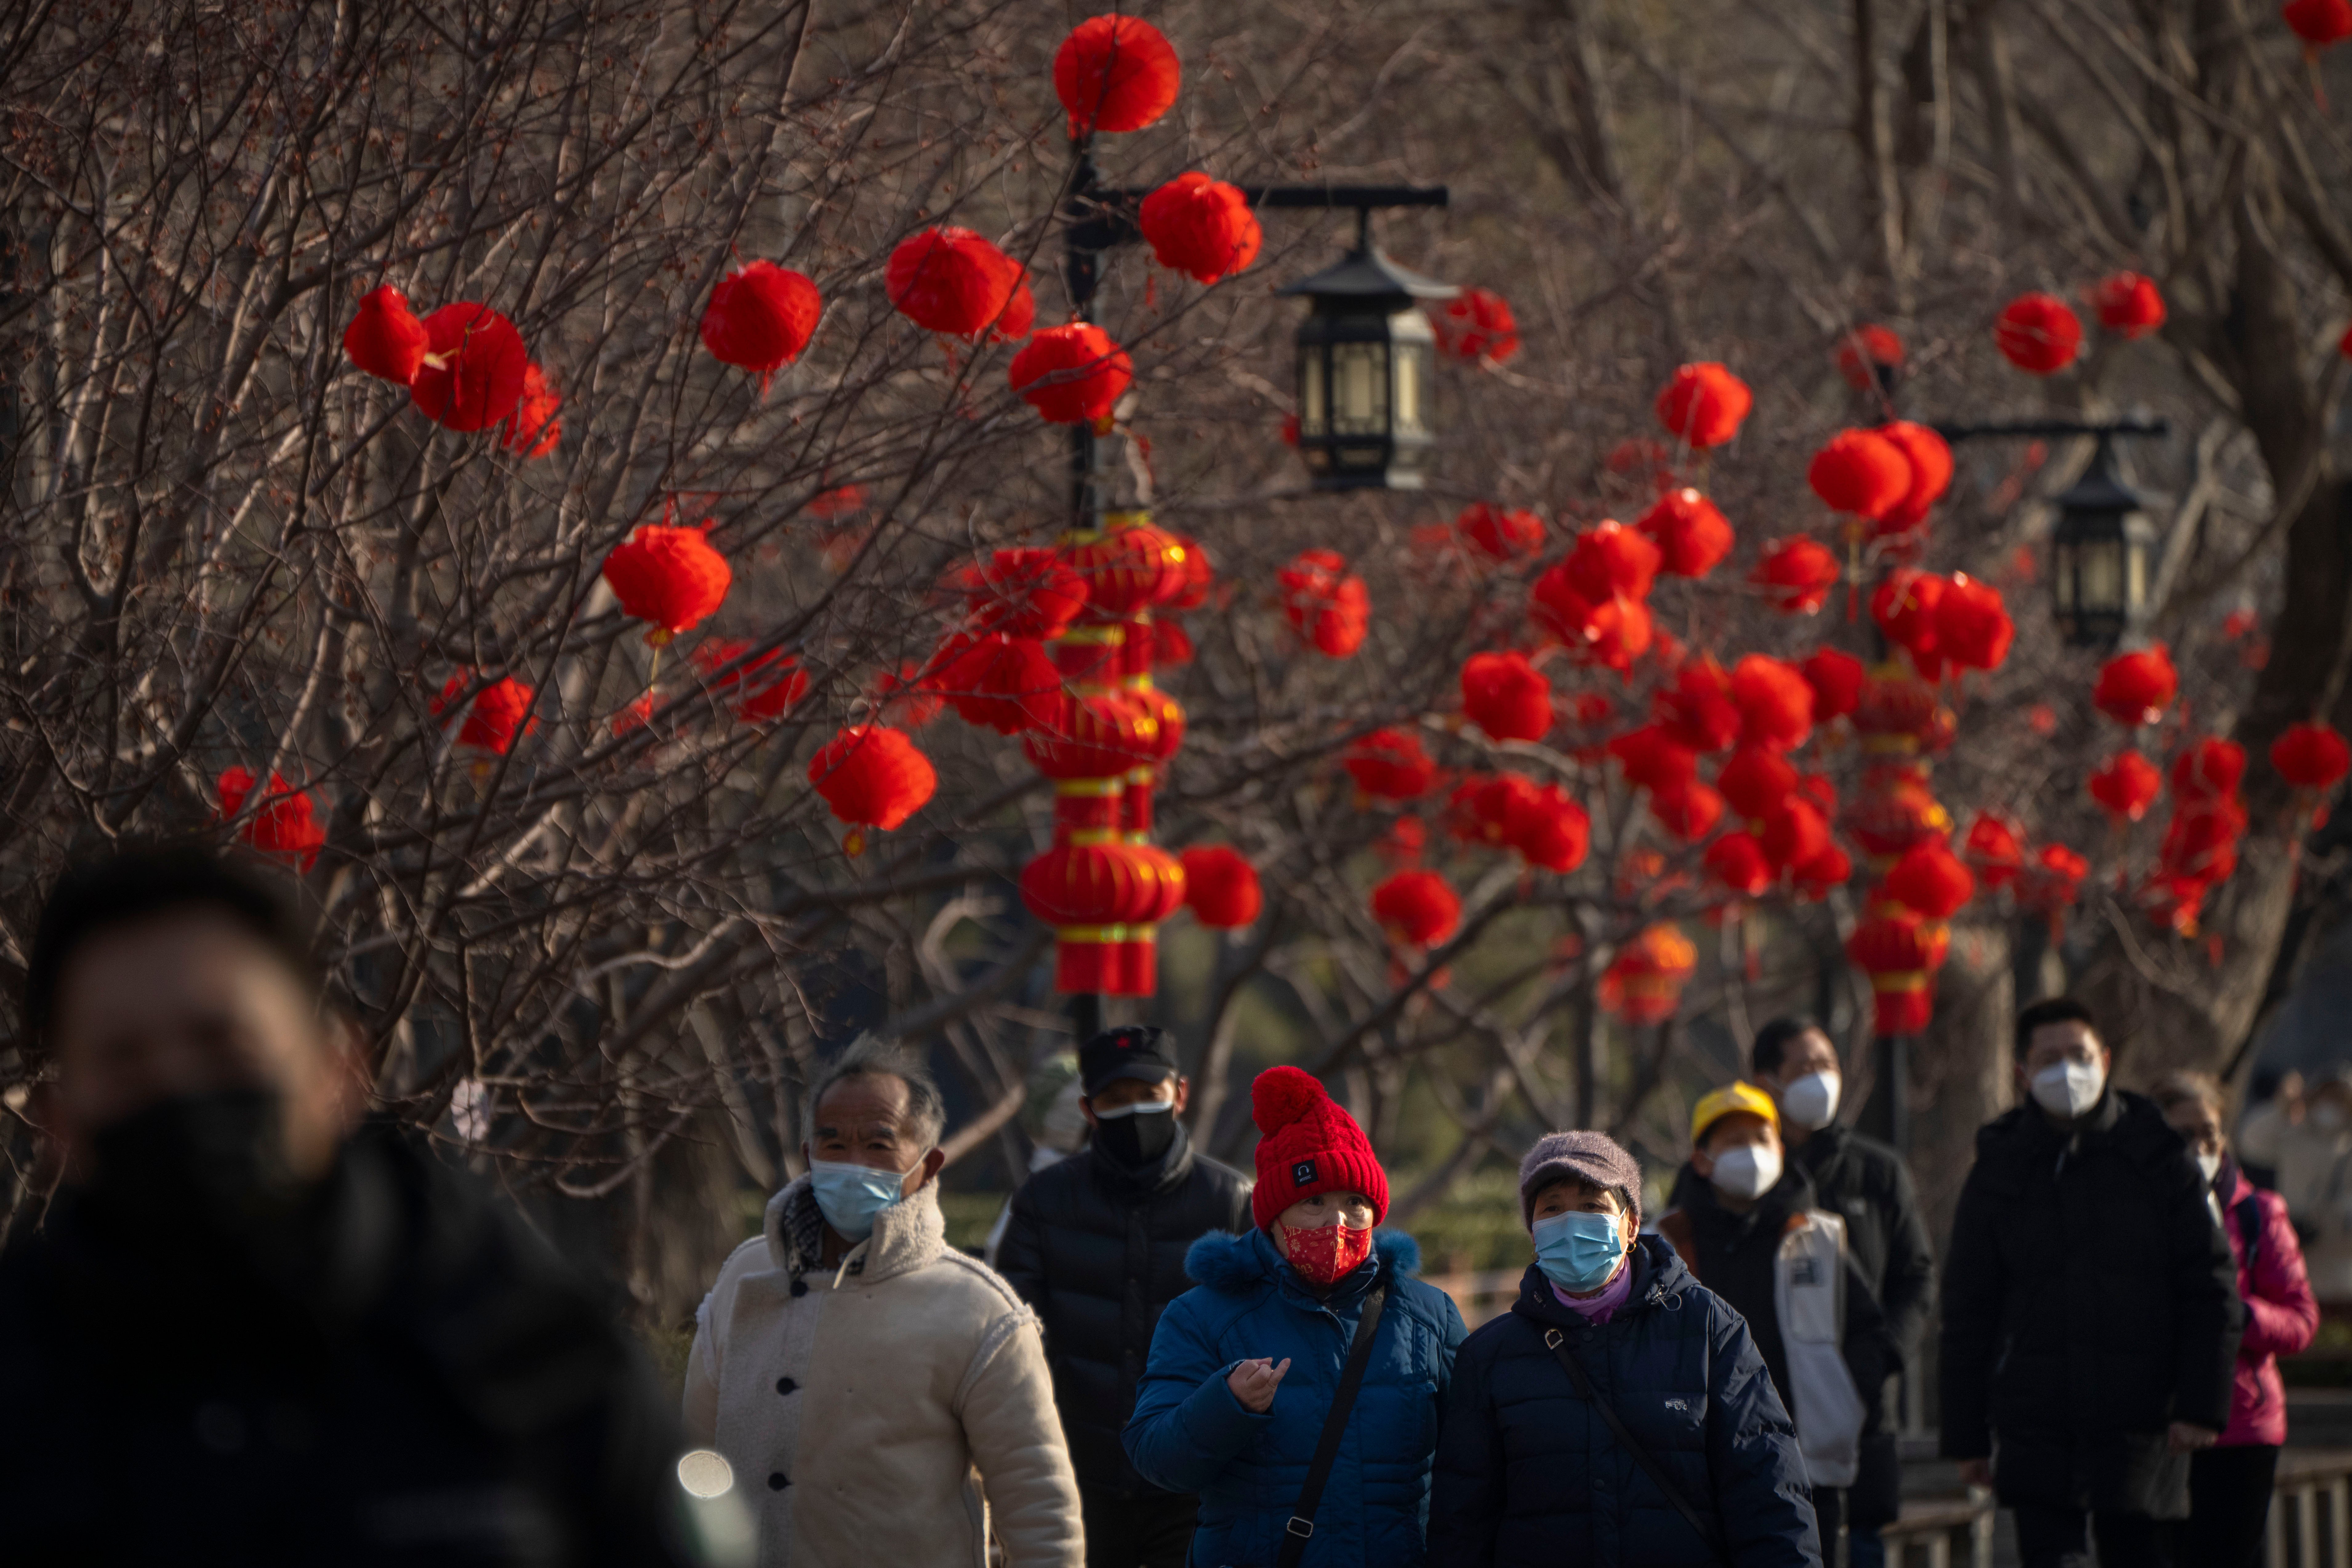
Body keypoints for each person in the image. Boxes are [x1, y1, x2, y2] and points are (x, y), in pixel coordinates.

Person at [0, 846, 708, 1566]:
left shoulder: (526, 1358)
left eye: (223, 1043)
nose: (181, 1090)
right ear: (58, 1120)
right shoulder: (20, 1386)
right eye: (125, 1060)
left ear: (338, 1069)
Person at [684, 1035, 1082, 1568]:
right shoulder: (746, 1275)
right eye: (833, 1144)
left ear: (929, 1163)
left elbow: (1039, 1509)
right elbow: (694, 1456)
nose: (853, 1164)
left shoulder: (978, 1310)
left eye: (878, 1145)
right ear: (808, 1156)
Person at [1941, 997, 2244, 1568]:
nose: (2066, 1070)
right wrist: (1966, 1437)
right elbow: (1967, 1306)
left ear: (2105, 1060)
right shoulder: (2000, 1163)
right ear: (2021, 1072)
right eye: (2048, 1057)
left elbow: (2210, 1285)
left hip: (2143, 1424)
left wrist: (2200, 1405)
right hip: (2036, 1421)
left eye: (2078, 1055)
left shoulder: (2157, 1156)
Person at [1427, 1129, 1821, 1567]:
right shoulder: (1490, 1356)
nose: (1571, 1223)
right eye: (1552, 1208)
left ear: (1631, 1224)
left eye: (1593, 1206)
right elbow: (1462, 1523)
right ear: (1532, 1230)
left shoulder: (1708, 1327)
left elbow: (1767, 1490)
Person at [1124, 1065, 1467, 1567]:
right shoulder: (1202, 1316)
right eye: (1313, 1202)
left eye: (1355, 1202)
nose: (1337, 1222)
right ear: (1274, 1215)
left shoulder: (1428, 1316)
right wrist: (1226, 1404)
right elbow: (1155, 1458)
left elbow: (1477, 1463)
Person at [997, 1027, 1254, 1568]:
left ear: (1180, 1094)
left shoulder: (1232, 1203)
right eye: (1116, 1099)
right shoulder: (1043, 1203)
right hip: (1076, 1482)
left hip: (1196, 1483)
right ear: (1090, 1110)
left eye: (1148, 1093)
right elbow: (1013, 1348)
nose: (1134, 1110)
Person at [1656, 1083, 1896, 1560]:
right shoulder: (1663, 1246)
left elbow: (1870, 1330)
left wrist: (1842, 1402)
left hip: (1807, 1466)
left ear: (1781, 1152)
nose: (1750, 1152)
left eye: (1760, 1139)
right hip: (1694, 1469)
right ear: (1701, 1160)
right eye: (1733, 1141)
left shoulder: (1820, 1237)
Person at [1748, 1016, 1934, 1568]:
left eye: (1827, 1065)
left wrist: (1877, 1359)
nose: (1820, 1079)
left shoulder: (1876, 1172)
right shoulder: (1744, 1180)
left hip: (1863, 1411)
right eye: (1803, 1068)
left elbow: (1917, 1276)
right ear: (1765, 1081)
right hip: (1763, 1410)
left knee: (1864, 1545)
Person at [2153, 1070, 2318, 1568]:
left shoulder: (2257, 1215)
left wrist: (2237, 1316)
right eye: (2183, 1135)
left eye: (2210, 1132)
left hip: (2240, 1429)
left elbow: (2300, 1320)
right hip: (2153, 1432)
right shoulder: (2125, 1215)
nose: (2200, 1146)